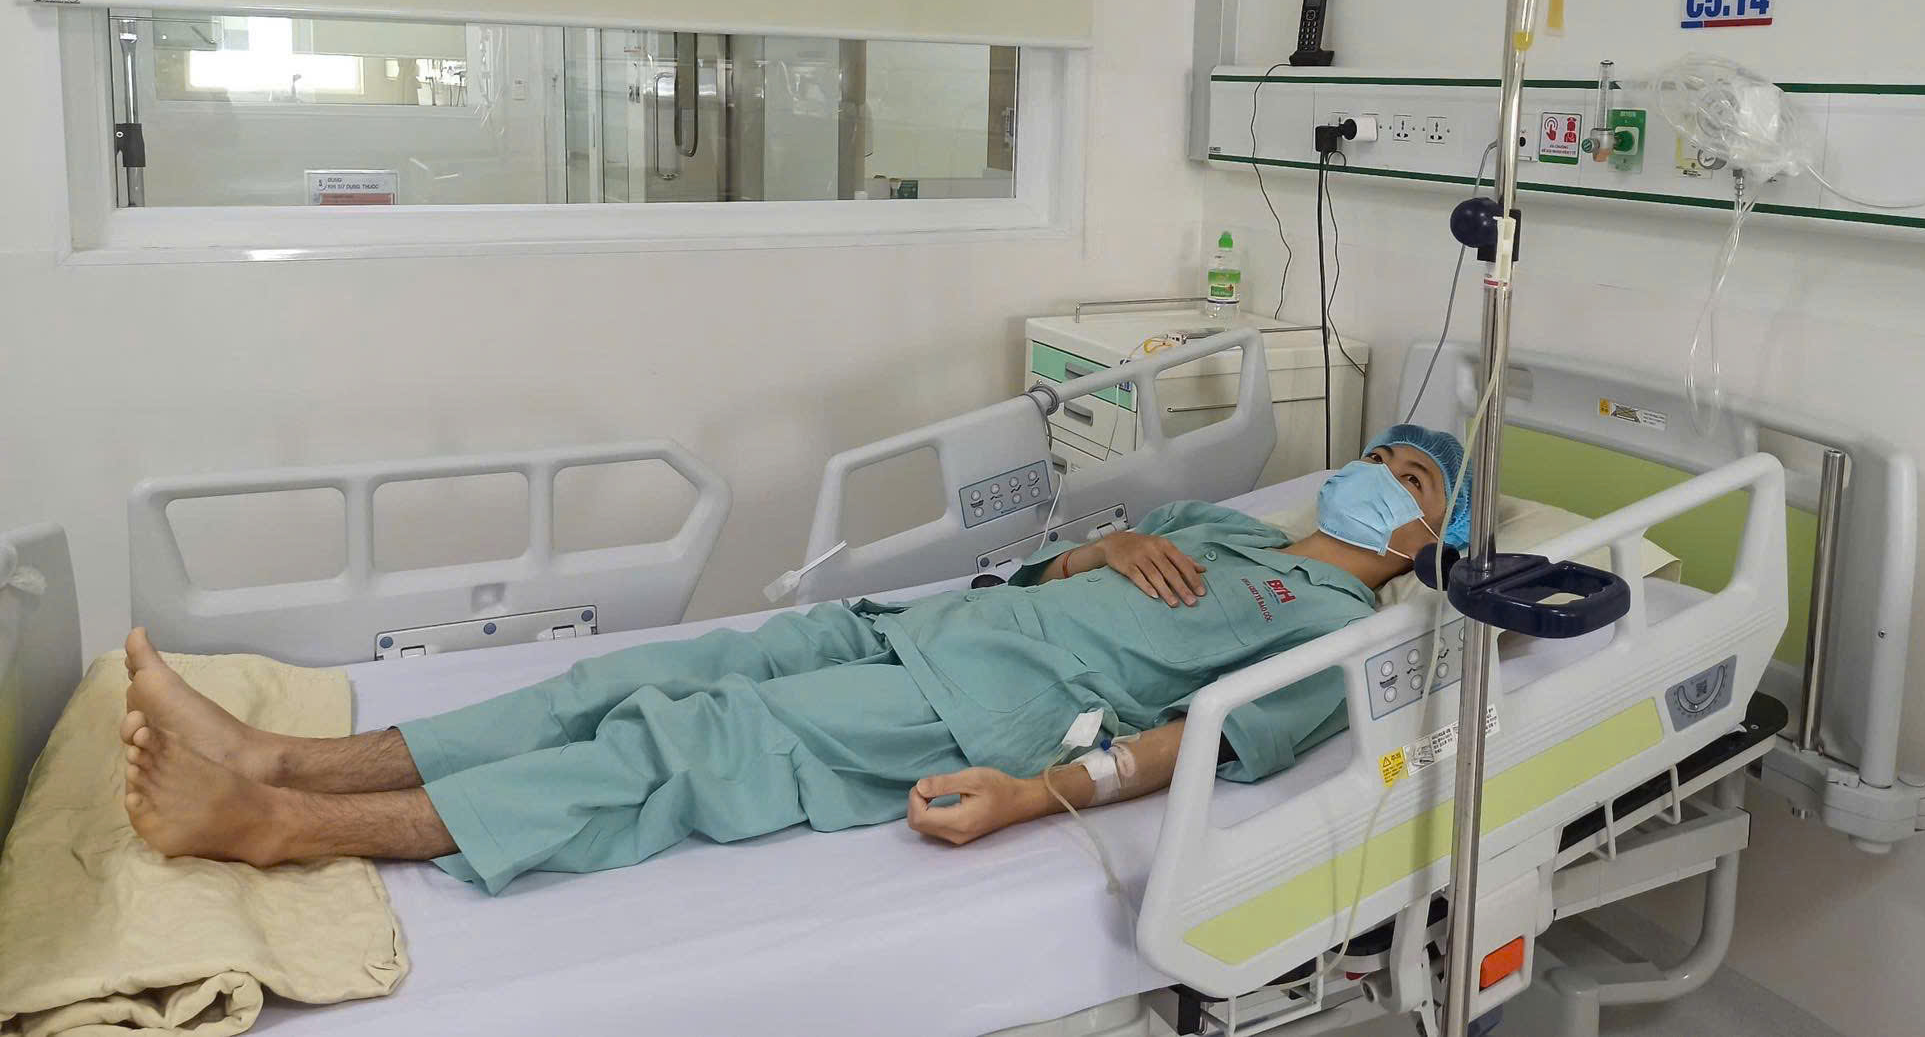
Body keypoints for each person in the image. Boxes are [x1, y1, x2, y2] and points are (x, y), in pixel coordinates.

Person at [120, 425, 1471, 894]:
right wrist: (1097, 553)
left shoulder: (1343, 630)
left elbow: (1204, 741)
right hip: (923, 622)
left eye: (1404, 476)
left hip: (983, 705)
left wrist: (1027, 797)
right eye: (1374, 455)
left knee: (679, 752)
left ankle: (281, 823)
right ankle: (276, 748)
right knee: (616, 677)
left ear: (1424, 540)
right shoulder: (1225, 526)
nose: (1368, 473)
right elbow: (1056, 558)